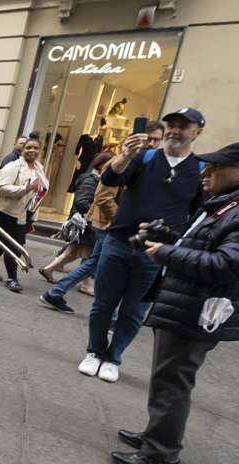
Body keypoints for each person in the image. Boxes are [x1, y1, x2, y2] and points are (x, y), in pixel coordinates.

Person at [112, 141, 239, 464]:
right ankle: (158, 437)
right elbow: (212, 246)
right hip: (190, 303)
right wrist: (172, 238)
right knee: (167, 379)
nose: (206, 174)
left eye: (216, 169)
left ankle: (160, 458)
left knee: (173, 382)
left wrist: (166, 253)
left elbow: (229, 264)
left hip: (199, 310)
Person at [79, 108, 206, 383]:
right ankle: (94, 352)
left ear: (197, 133)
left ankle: (113, 358)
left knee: (134, 311)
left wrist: (172, 236)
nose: (175, 130)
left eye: (183, 126)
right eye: (171, 125)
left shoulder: (200, 169)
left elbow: (198, 214)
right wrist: (125, 155)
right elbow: (110, 179)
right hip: (118, 242)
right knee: (103, 304)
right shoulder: (145, 157)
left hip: (156, 253)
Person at [39, 152, 116, 312]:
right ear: (100, 164)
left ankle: (50, 270)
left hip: (87, 222)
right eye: (110, 164)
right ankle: (84, 285)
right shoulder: (91, 179)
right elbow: (82, 202)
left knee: (75, 253)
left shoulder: (98, 179)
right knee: (88, 257)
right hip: (86, 223)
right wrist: (94, 217)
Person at [0, 136, 47, 292]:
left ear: (39, 151)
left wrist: (32, 215)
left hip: (24, 212)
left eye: (36, 148)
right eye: (28, 147)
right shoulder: (13, 166)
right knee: (15, 244)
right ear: (22, 150)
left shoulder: (39, 168)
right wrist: (24, 189)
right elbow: (2, 188)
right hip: (7, 211)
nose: (32, 150)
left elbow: (39, 192)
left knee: (2, 241)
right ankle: (12, 278)